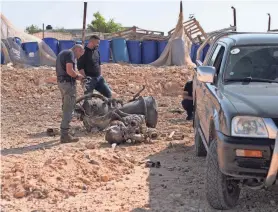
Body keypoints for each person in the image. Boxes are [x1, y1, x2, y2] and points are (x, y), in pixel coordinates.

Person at [56, 44, 84, 143]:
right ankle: (64, 135)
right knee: (69, 108)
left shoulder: (62, 53)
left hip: (61, 83)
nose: (80, 56)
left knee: (65, 107)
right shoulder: (70, 54)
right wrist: (78, 76)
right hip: (68, 84)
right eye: (81, 53)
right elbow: (69, 70)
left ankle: (65, 130)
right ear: (77, 49)